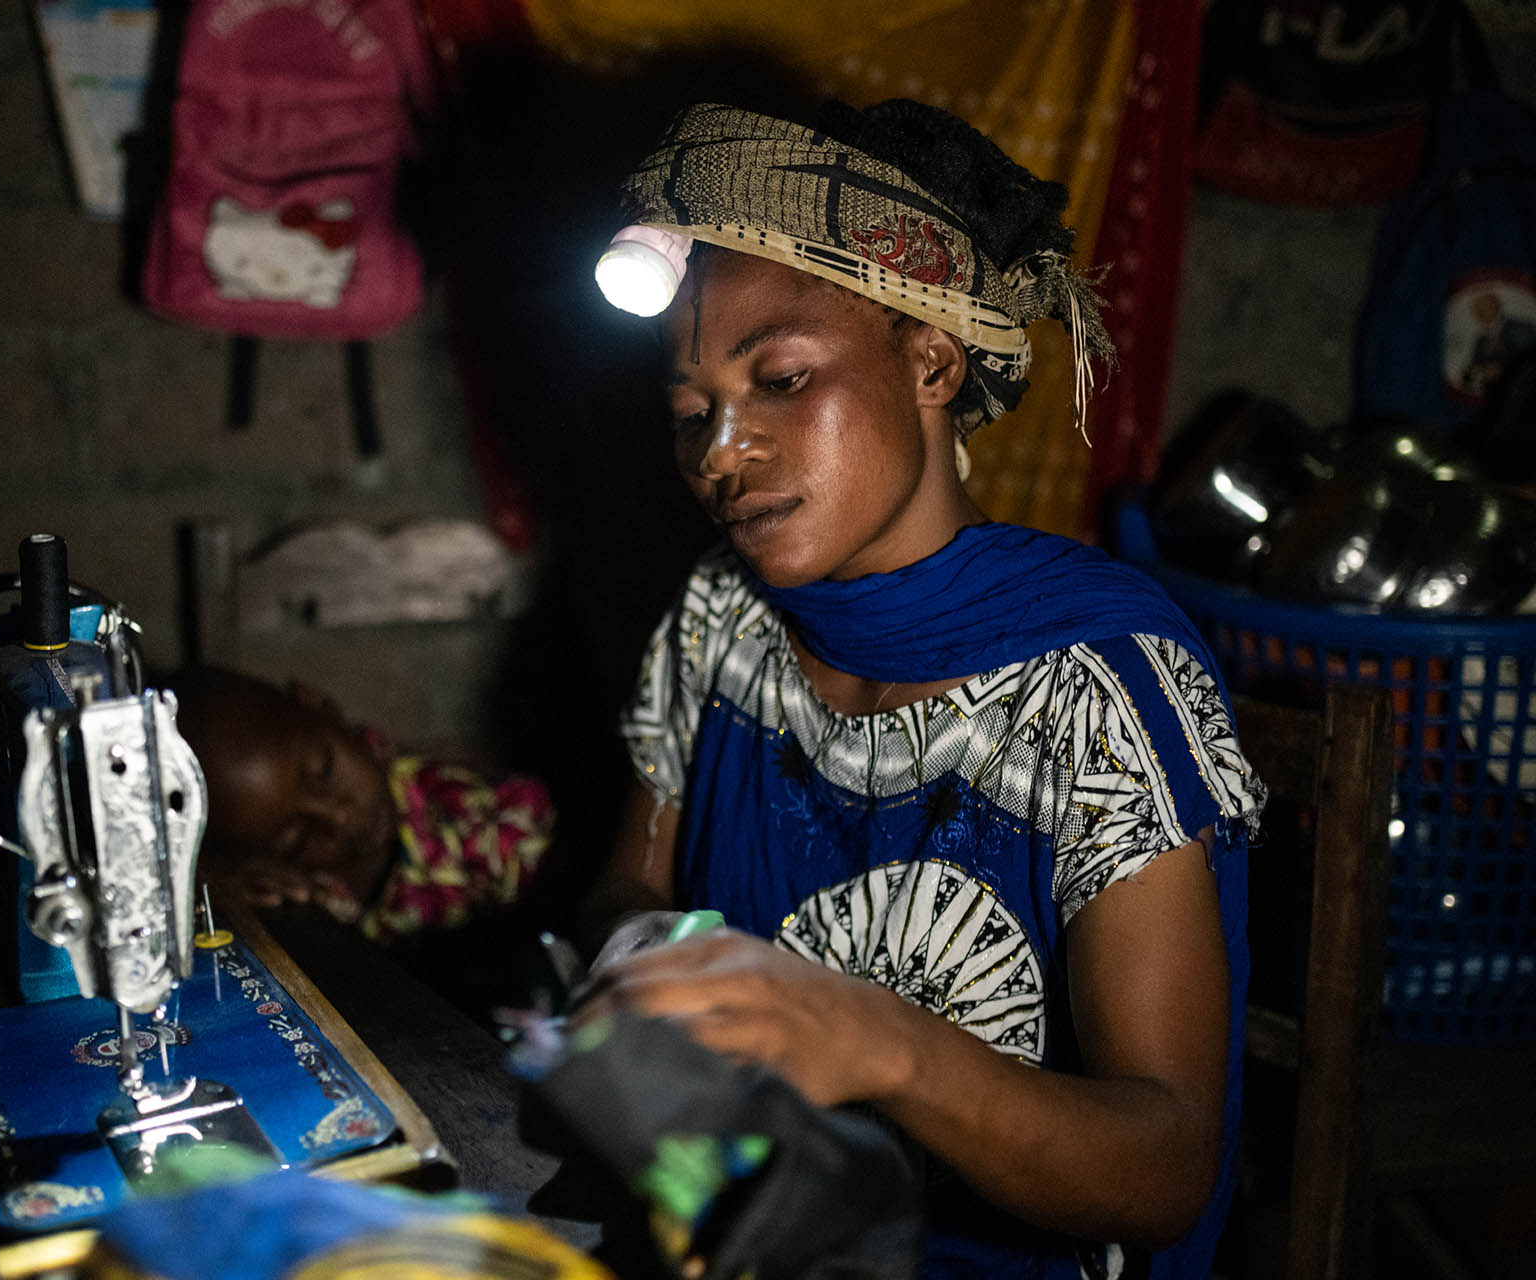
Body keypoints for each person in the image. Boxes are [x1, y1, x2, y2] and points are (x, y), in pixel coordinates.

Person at [575, 100, 1266, 1280]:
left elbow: (1166, 1163)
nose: (719, 451)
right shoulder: (724, 619)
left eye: (781, 377)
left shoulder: (1086, 685)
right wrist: (655, 983)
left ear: (932, 361)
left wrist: (883, 1045)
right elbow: (632, 879)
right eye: (690, 411)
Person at [166, 666, 554, 943]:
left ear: (318, 704)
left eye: (325, 771)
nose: (338, 818)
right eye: (296, 838)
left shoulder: (473, 810)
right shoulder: (300, 891)